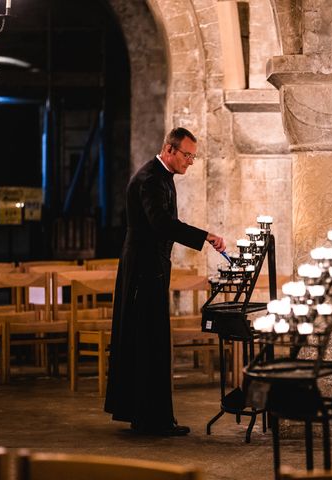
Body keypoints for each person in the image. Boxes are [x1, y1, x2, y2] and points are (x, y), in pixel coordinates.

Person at [104, 127, 225, 436]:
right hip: (143, 269)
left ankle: (151, 416)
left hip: (150, 267)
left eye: (193, 156)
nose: (191, 162)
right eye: (187, 155)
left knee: (152, 341)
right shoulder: (150, 179)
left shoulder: (160, 178)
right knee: (146, 341)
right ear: (170, 150)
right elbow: (161, 224)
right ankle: (149, 419)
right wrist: (205, 236)